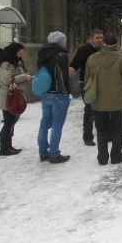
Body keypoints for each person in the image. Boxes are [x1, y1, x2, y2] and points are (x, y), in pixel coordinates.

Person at [84, 34, 122, 165]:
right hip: (117, 100)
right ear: (116, 43)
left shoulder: (92, 58)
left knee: (101, 129)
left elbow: (87, 78)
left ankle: (102, 157)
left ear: (103, 42)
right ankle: (116, 156)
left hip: (98, 99)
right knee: (118, 129)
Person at [36, 31, 72, 163]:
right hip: (58, 94)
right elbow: (62, 77)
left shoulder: (42, 54)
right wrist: (66, 93)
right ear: (61, 42)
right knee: (57, 125)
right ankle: (54, 154)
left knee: (44, 124)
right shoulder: (61, 55)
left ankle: (43, 152)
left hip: (45, 92)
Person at [69, 29, 104, 146]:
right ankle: (88, 137)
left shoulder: (103, 50)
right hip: (87, 84)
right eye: (97, 38)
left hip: (101, 83)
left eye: (101, 38)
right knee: (89, 110)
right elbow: (74, 65)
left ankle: (104, 134)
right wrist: (66, 80)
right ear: (90, 38)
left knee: (103, 109)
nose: (100, 40)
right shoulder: (83, 50)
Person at [0, 43, 33, 156]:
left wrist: (26, 77)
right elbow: (7, 80)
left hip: (14, 95)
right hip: (7, 97)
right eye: (19, 53)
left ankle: (9, 145)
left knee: (12, 121)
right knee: (9, 122)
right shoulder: (6, 64)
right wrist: (24, 77)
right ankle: (4, 148)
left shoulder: (14, 62)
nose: (20, 56)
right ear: (13, 52)